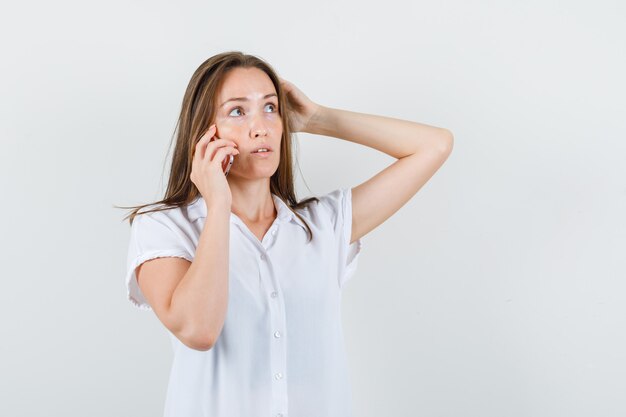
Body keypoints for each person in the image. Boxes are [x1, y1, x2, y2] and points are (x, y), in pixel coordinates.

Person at [121, 51, 453, 417]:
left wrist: (318, 119)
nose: (260, 126)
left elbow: (434, 145)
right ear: (203, 132)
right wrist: (218, 204)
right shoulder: (165, 227)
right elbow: (199, 330)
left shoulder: (322, 226)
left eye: (270, 108)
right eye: (237, 111)